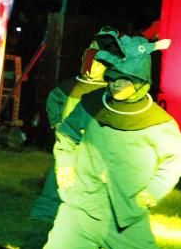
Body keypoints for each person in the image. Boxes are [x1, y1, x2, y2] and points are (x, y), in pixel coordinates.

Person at [26, 33, 181, 249]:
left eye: (125, 79)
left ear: (141, 81)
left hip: (125, 219)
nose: (116, 83)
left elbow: (175, 158)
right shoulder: (91, 105)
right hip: (80, 210)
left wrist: (151, 192)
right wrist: (65, 168)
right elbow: (67, 134)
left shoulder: (159, 124)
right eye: (113, 77)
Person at [29, 27, 118, 221]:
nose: (94, 67)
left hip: (95, 147)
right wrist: (56, 124)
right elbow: (54, 99)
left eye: (99, 64)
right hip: (70, 141)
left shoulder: (112, 92)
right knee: (58, 177)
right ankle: (45, 213)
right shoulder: (72, 86)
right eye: (91, 63)